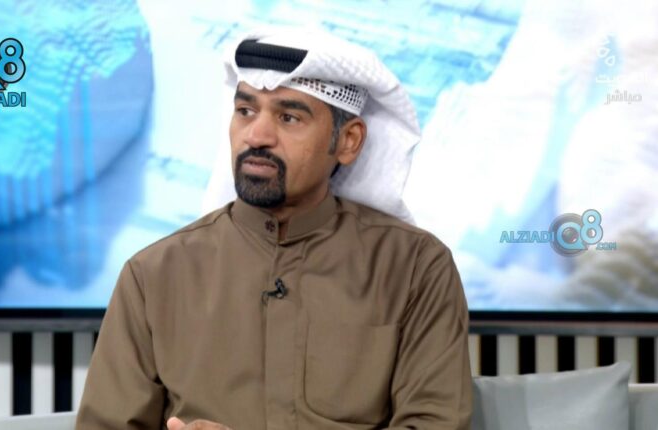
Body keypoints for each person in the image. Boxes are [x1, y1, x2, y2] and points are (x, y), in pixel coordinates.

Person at [76, 28, 472, 430]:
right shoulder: (154, 275)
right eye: (246, 111)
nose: (257, 136)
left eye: (288, 117)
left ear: (348, 141)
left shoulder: (415, 267)